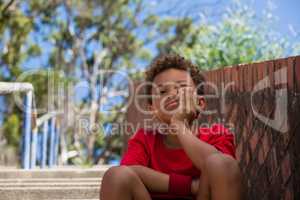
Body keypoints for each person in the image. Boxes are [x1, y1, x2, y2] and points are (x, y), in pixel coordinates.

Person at [100, 54, 242, 200]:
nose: (173, 94)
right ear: (152, 109)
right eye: (162, 92)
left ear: (200, 103)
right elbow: (129, 171)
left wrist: (179, 124)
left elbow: (221, 171)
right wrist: (190, 186)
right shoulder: (145, 138)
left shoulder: (217, 134)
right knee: (116, 175)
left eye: (182, 88)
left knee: (221, 162)